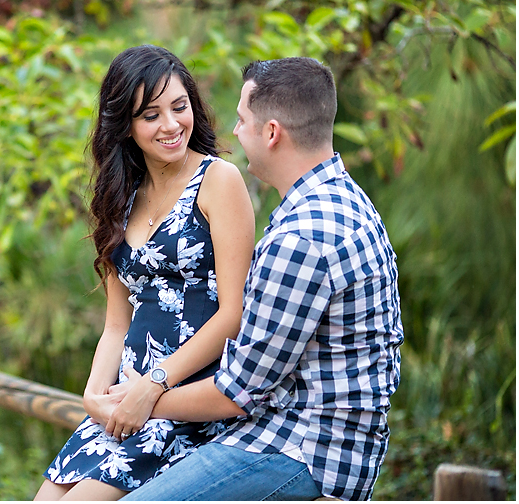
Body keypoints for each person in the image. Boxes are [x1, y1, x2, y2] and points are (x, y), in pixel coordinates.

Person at [117, 57, 404, 501]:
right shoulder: (341, 200)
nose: (233, 132)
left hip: (303, 451)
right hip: (309, 442)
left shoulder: (302, 237)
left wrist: (136, 398)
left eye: (242, 119)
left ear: (271, 133)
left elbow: (237, 392)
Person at [34, 45, 255, 500]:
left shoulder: (219, 180)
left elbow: (232, 315)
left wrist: (154, 386)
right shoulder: (121, 196)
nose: (172, 125)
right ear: (126, 126)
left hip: (185, 406)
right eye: (151, 115)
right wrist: (94, 395)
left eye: (179, 107)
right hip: (124, 407)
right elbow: (117, 323)